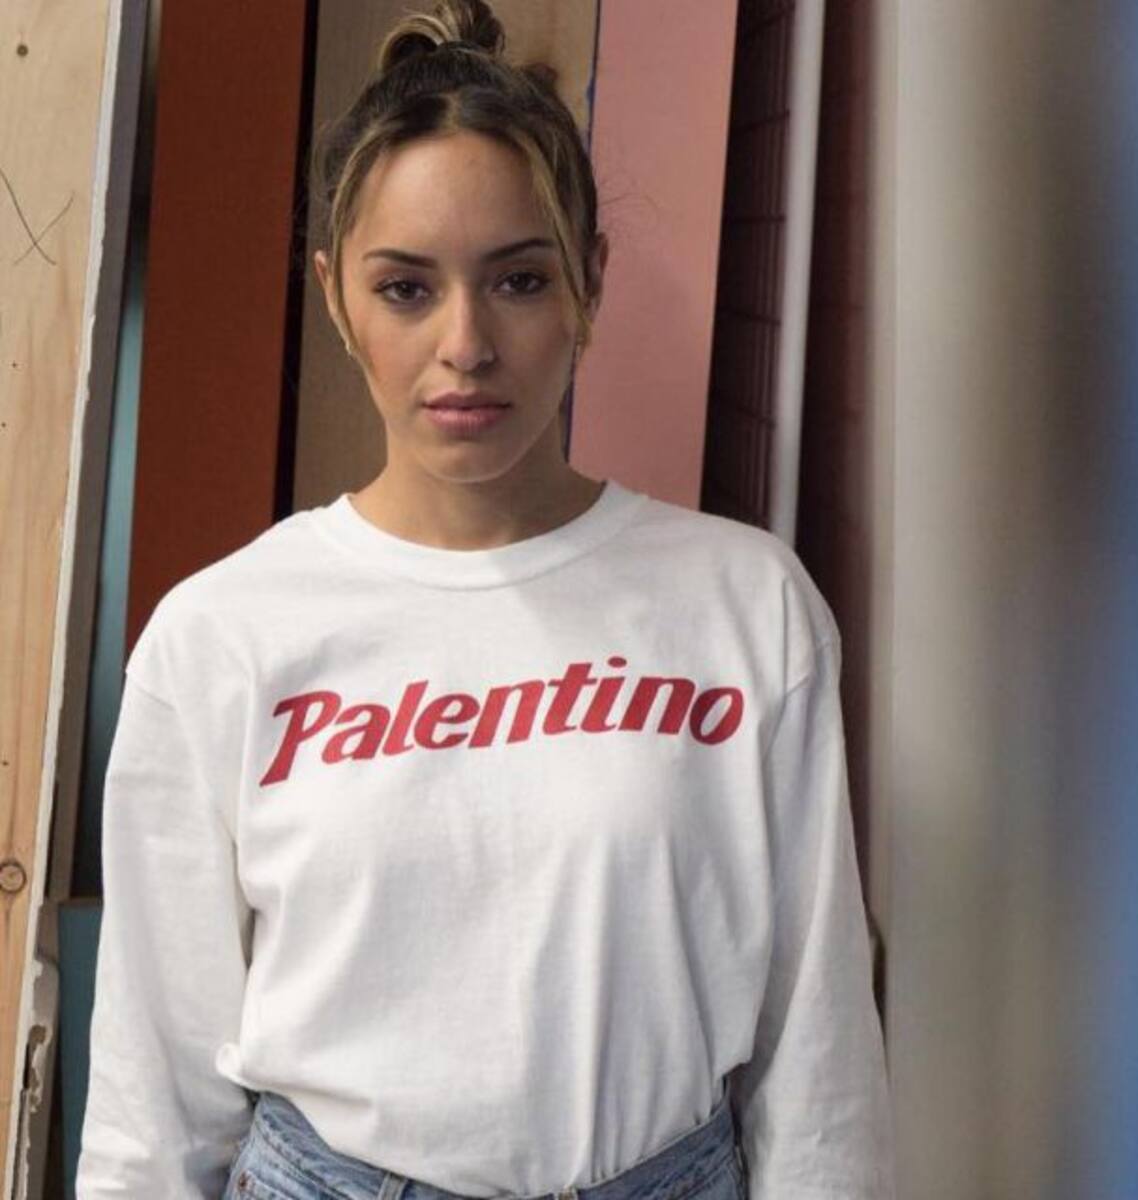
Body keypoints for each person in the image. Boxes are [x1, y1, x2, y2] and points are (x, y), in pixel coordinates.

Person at [77, 2, 895, 1197]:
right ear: (337, 298)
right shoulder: (220, 639)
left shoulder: (746, 609)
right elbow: (152, 1107)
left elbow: (816, 1063)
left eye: (517, 279)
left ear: (589, 280)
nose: (466, 343)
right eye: (406, 289)